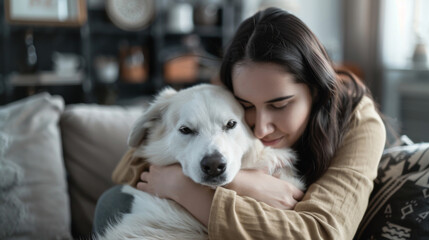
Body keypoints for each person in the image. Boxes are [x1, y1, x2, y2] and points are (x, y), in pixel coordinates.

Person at [94, 7, 386, 239]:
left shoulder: (359, 121)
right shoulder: (230, 88)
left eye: (280, 105)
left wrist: (195, 189)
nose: (260, 128)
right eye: (246, 107)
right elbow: (130, 166)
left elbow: (323, 233)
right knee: (113, 200)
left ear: (315, 91)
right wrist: (237, 183)